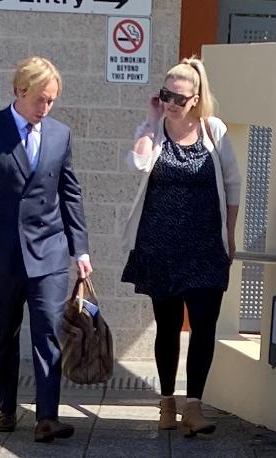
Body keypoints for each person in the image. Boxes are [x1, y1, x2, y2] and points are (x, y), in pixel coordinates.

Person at [0, 56, 92, 443]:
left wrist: (80, 249)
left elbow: (70, 193)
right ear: (19, 91)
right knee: (4, 333)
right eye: (40, 100)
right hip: (0, 253)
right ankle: (6, 408)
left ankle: (47, 416)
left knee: (48, 330)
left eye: (52, 101)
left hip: (49, 251)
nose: (45, 109)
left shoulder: (60, 135)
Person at [121, 56, 241, 437]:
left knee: (204, 327)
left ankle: (194, 406)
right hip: (161, 247)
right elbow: (137, 164)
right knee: (168, 327)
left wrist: (231, 232)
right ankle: (168, 403)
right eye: (165, 95)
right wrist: (152, 120)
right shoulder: (155, 129)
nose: (171, 102)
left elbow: (233, 184)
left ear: (195, 99)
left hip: (206, 245)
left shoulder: (214, 130)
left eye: (178, 98)